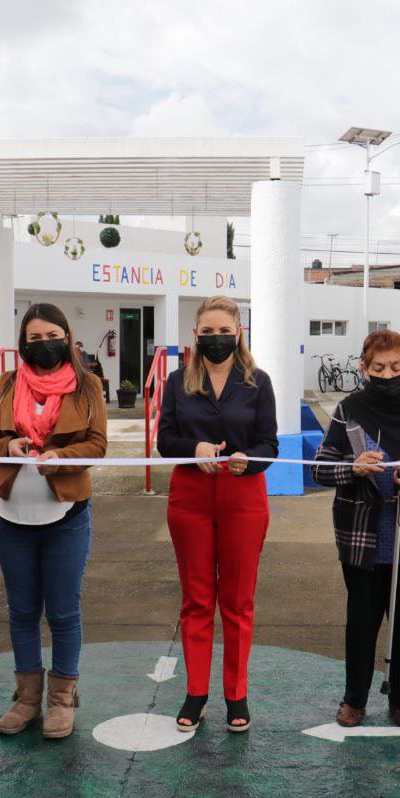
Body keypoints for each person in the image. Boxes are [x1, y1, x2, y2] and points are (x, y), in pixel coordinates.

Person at [313, 330, 400, 729]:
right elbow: (322, 467)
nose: (388, 373)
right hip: (361, 536)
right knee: (361, 620)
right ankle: (354, 699)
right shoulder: (348, 409)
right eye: (378, 367)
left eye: (396, 366)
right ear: (364, 368)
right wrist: (353, 467)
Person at [0, 303, 106, 739]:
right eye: (33, 338)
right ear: (22, 344)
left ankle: (61, 700)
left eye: (51, 334)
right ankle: (28, 698)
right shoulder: (7, 384)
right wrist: (8, 445)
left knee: (64, 612)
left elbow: (97, 444)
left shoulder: (87, 386)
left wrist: (61, 457)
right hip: (12, 518)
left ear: (67, 338)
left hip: (66, 517)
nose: (43, 344)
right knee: (23, 611)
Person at [158, 295, 277, 733]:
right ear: (195, 335)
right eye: (207, 332)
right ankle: (196, 691)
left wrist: (250, 458)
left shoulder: (258, 382)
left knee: (238, 601)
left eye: (223, 331)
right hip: (190, 497)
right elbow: (164, 440)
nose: (215, 339)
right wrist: (194, 450)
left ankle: (236, 693)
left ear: (238, 332)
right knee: (197, 600)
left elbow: (271, 445)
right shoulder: (177, 382)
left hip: (243, 496)